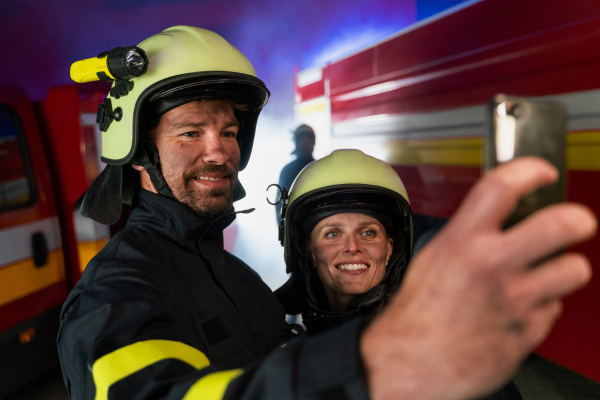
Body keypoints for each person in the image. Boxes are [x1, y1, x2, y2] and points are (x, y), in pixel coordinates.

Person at [57, 25, 597, 400]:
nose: (218, 151)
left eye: (227, 131)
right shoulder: (117, 291)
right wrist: (377, 363)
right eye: (190, 133)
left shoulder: (234, 276)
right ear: (136, 146)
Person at [276, 149, 600, 399]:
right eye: (332, 234)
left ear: (390, 249)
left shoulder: (450, 349)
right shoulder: (273, 348)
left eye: (369, 233)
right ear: (306, 249)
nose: (353, 247)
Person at [275, 124, 315, 222]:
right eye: (302, 140)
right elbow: (280, 203)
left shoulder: (320, 167)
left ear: (314, 142)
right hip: (294, 225)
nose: (306, 143)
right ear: (296, 142)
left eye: (308, 140)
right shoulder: (288, 171)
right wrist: (284, 232)